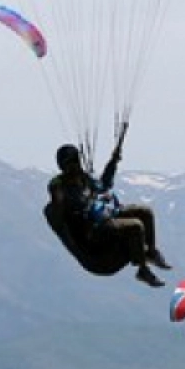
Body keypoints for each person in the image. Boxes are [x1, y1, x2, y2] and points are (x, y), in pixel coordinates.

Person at [43, 123, 170, 287]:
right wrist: (61, 198)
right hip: (92, 232)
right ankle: (142, 270)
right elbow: (58, 207)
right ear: (63, 166)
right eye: (70, 163)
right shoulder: (60, 187)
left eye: (76, 161)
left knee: (144, 212)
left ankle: (151, 253)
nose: (75, 166)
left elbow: (103, 185)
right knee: (135, 226)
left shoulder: (84, 179)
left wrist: (114, 160)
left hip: (103, 219)